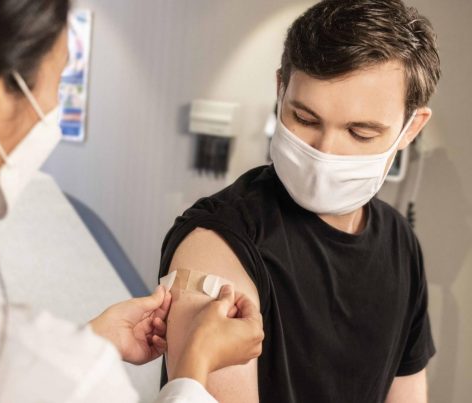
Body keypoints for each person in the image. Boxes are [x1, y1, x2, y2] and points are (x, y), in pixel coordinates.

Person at [0, 1, 264, 402]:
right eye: (59, 82)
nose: (54, 109)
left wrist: (90, 341)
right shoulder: (53, 370)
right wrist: (192, 370)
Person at [158, 0, 441, 402]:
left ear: (411, 127)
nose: (325, 152)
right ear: (280, 89)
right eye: (305, 119)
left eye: (360, 133)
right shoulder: (220, 240)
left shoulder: (401, 243)